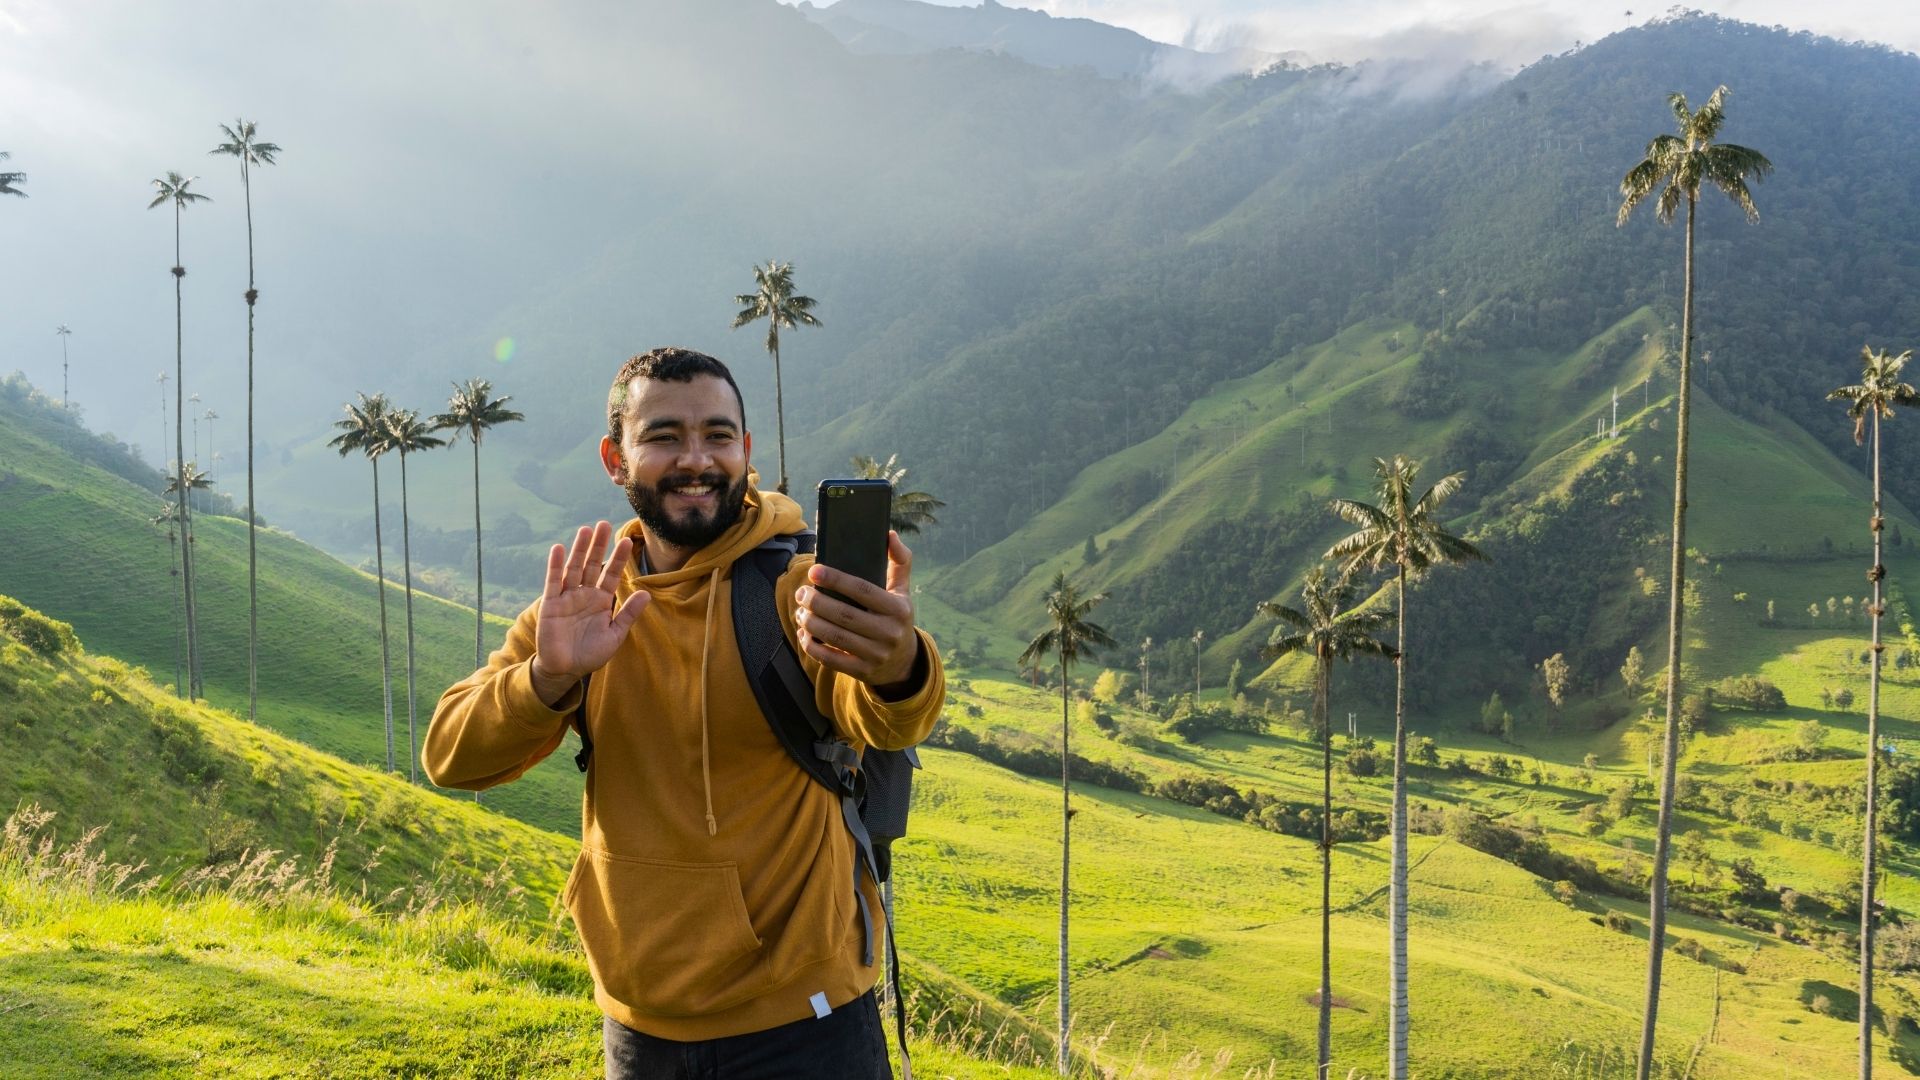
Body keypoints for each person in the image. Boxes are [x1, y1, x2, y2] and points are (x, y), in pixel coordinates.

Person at [423, 346, 942, 1079]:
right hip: (639, 1031)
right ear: (615, 457)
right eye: (664, 436)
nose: (696, 459)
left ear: (746, 450)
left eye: (718, 436)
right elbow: (451, 757)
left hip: (808, 1026)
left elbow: (883, 717)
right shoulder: (586, 604)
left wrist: (897, 666)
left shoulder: (794, 586)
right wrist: (546, 676)